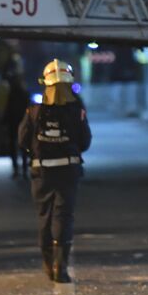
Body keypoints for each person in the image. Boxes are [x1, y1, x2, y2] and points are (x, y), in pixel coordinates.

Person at [18, 59, 91, 282]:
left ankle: (49, 263)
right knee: (63, 215)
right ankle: (62, 266)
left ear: (46, 84)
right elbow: (85, 142)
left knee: (44, 216)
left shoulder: (33, 111)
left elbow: (23, 141)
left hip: (42, 173)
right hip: (68, 170)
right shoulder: (77, 110)